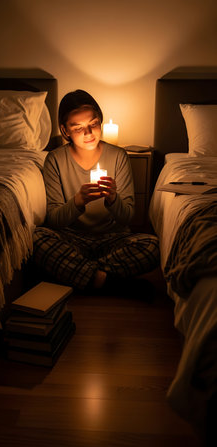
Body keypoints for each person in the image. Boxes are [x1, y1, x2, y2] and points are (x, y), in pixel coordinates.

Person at [33, 89, 159, 296]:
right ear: (65, 131)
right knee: (36, 238)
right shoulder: (55, 159)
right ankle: (110, 283)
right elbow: (54, 220)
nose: (88, 133)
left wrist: (112, 199)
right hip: (72, 239)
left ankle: (78, 275)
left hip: (112, 239)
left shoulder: (118, 156)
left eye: (93, 124)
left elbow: (128, 216)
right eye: (78, 128)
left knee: (152, 246)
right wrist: (78, 202)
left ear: (100, 121)